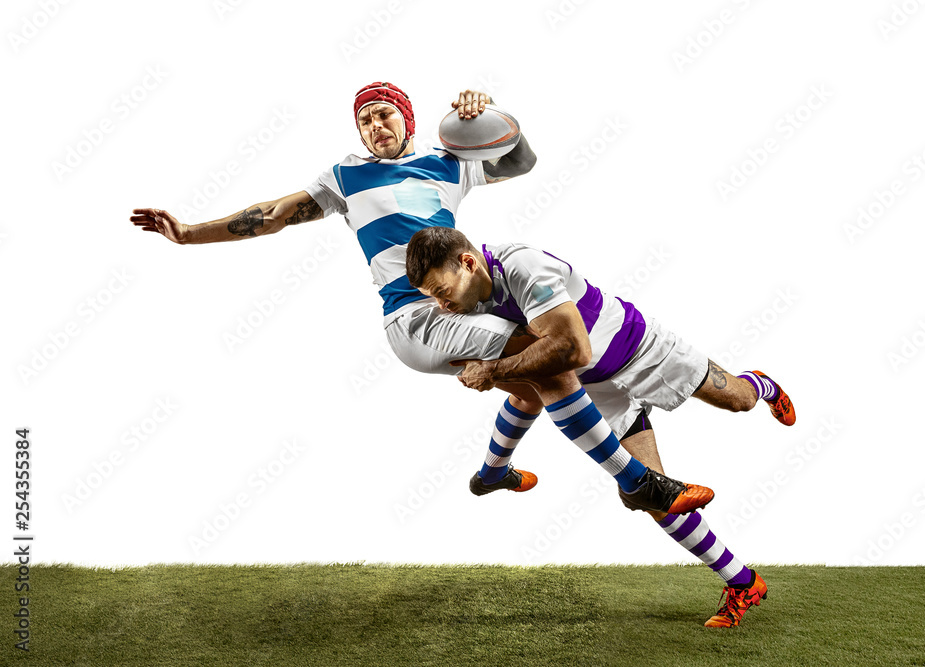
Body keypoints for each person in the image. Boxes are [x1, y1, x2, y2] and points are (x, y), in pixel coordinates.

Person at [130, 82, 711, 515]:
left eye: (382, 115)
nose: (373, 126)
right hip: (416, 319)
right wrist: (188, 234)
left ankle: (492, 473)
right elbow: (272, 217)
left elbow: (521, 159)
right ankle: (637, 480)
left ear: (405, 118)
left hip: (460, 308)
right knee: (555, 360)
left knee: (532, 383)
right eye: (363, 121)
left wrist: (488, 115)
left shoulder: (446, 165)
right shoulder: (343, 176)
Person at [405, 226, 799, 629]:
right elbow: (530, 389)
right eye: (432, 297)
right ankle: (743, 582)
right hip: (596, 389)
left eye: (442, 292)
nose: (441, 306)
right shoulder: (465, 303)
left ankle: (761, 383)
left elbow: (575, 348)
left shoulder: (523, 266)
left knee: (739, 401)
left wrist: (493, 371)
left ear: (468, 264)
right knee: (655, 495)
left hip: (642, 350)